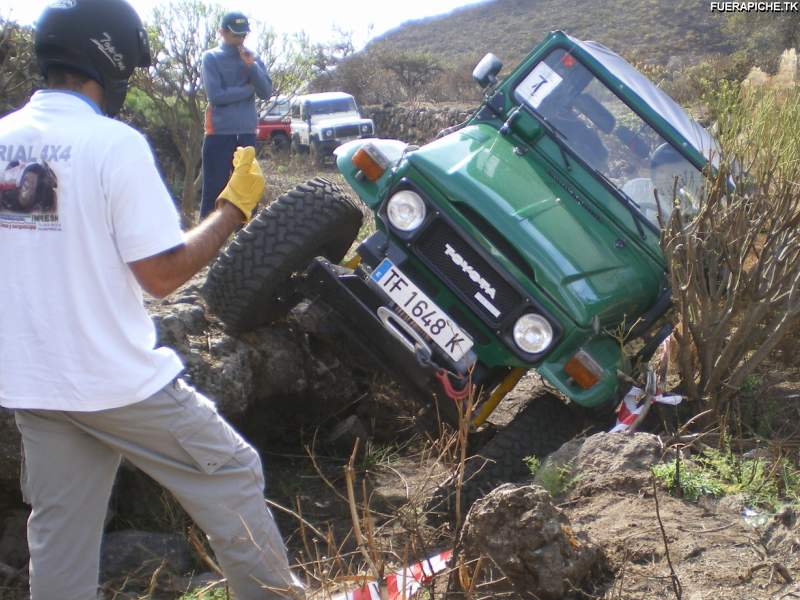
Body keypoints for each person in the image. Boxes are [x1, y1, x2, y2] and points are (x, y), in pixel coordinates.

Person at [0, 1, 302, 598]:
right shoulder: (113, 144)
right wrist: (232, 210)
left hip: (32, 383)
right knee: (234, 473)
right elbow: (163, 275)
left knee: (61, 543)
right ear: (106, 60)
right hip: (116, 382)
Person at [200, 11, 272, 218]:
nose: (240, 39)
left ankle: (247, 246)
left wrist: (252, 67)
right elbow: (215, 96)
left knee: (248, 193)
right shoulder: (211, 57)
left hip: (247, 133)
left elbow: (266, 92)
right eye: (235, 34)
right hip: (219, 134)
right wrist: (248, 90)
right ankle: (208, 249)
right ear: (222, 32)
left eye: (243, 35)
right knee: (214, 192)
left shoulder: (253, 58)